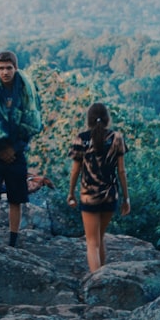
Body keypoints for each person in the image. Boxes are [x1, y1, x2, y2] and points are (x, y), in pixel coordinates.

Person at [0, 51, 43, 246]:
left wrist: (15, 148)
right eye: (0, 68)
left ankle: (13, 238)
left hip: (17, 151)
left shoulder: (26, 89)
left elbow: (32, 122)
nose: (5, 72)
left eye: (8, 68)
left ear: (15, 68)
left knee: (15, 198)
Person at [67, 103, 131, 273]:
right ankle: (102, 276)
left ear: (88, 119)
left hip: (89, 196)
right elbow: (122, 171)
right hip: (110, 195)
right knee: (100, 237)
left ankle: (97, 281)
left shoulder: (81, 138)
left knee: (92, 243)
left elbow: (75, 171)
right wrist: (126, 198)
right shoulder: (117, 138)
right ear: (107, 119)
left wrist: (71, 193)